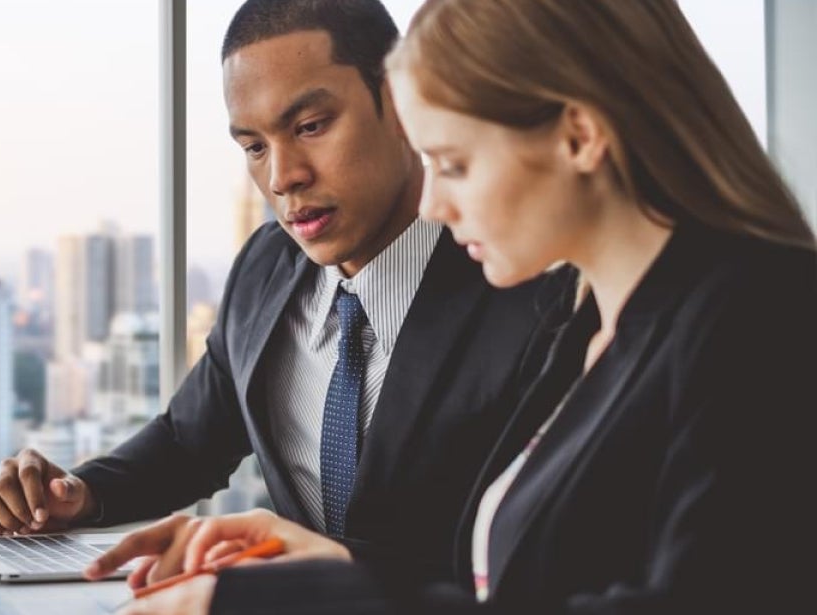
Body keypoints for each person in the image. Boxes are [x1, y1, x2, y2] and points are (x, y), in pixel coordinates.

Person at [88, 0, 817, 612]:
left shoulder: (758, 317)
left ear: (580, 133)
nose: (433, 201)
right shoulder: (601, 332)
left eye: (454, 163)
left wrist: (275, 599)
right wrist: (320, 561)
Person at [0, 0, 569, 588]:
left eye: (310, 127)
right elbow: (189, 442)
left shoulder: (525, 291)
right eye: (255, 147)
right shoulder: (267, 267)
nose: (283, 176)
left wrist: (323, 580)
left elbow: (541, 561)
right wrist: (77, 495)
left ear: (400, 103)